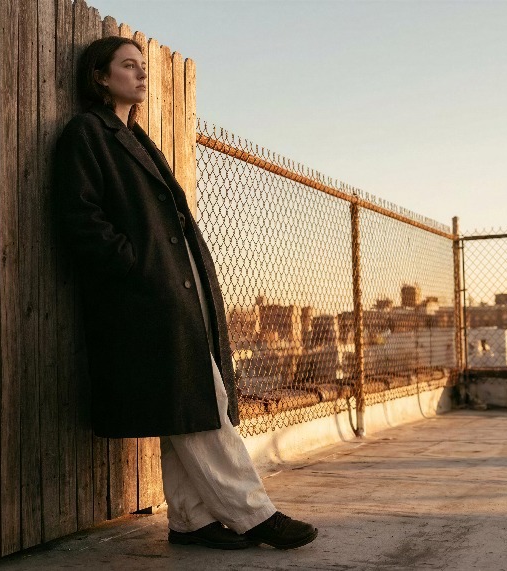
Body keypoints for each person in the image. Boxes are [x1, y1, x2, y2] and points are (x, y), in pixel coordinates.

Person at [52, 35, 318, 551]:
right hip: (143, 298)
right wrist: (135, 268)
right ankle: (254, 513)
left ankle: (192, 520)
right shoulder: (88, 132)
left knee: (182, 406)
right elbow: (80, 218)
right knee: (202, 401)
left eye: (142, 65)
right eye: (128, 66)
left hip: (170, 294)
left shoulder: (133, 136)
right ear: (101, 77)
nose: (141, 74)